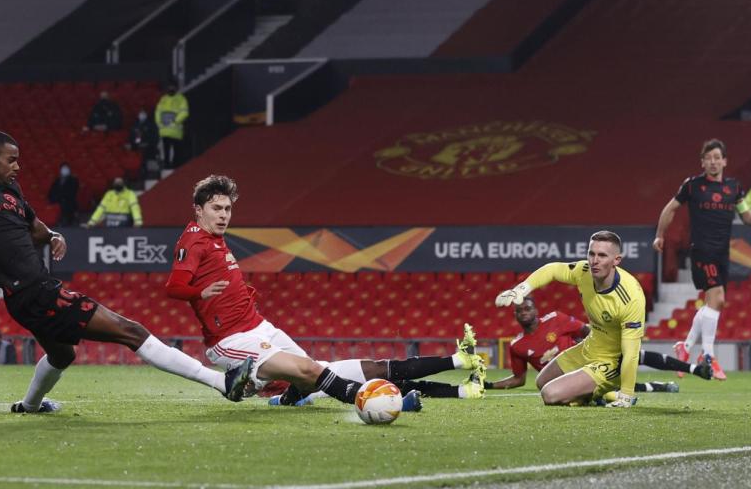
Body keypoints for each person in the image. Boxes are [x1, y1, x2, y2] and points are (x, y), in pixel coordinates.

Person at [0, 126, 252, 413]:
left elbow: (34, 226)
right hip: (34, 290)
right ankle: (222, 383)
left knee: (63, 355)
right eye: (11, 159)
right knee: (131, 331)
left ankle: (29, 406)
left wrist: (53, 234)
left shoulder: (13, 195)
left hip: (23, 297)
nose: (17, 165)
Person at [165, 175, 391, 408]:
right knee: (309, 371)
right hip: (231, 337)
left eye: (227, 209)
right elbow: (174, 287)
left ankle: (263, 387)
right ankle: (373, 402)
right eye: (216, 208)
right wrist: (201, 292)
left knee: (311, 376)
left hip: (258, 326)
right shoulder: (193, 242)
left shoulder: (214, 237)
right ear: (199, 210)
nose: (223, 215)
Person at [653, 139, 751, 381]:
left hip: (721, 253)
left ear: (725, 161)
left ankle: (685, 347)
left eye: (717, 157)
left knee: (712, 303)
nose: (713, 161)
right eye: (709, 158)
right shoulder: (692, 185)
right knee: (718, 298)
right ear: (703, 162)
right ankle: (708, 355)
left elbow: (746, 216)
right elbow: (669, 209)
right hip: (701, 250)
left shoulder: (734, 188)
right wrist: (660, 235)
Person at [495, 230, 644, 408]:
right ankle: (589, 396)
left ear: (616, 260)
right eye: (591, 254)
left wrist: (626, 395)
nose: (594, 261)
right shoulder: (584, 272)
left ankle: (608, 391)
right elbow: (552, 270)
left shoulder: (631, 297)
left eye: (602, 256)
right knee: (542, 381)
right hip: (590, 348)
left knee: (549, 394)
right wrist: (522, 289)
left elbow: (631, 353)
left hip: (611, 362)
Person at [485, 296, 712, 393]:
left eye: (528, 308)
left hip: (589, 358)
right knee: (602, 392)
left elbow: (587, 331)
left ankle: (693, 369)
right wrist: (490, 386)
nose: (524, 312)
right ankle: (656, 387)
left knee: (636, 355)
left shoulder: (556, 318)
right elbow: (519, 379)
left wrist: (602, 348)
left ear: (536, 310)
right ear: (515, 315)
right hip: (568, 376)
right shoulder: (517, 345)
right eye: (520, 310)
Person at [272, 324, 488, 407]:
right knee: (396, 382)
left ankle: (462, 377)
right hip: (321, 384)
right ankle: (462, 378)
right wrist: (283, 399)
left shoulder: (261, 347)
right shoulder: (260, 371)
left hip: (322, 370)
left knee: (385, 371)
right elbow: (285, 397)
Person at [155, 82, 188, 169]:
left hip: (176, 131)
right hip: (165, 131)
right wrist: (159, 123)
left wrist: (175, 121)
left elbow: (184, 112)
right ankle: (167, 166)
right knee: (166, 151)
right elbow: (158, 112)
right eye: (169, 87)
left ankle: (176, 166)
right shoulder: (163, 99)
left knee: (177, 151)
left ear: (176, 88)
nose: (171, 89)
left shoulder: (181, 99)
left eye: (172, 87)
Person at [126, 109, 160, 179]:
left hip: (150, 148)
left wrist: (148, 144)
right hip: (137, 148)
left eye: (143, 114)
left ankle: (152, 175)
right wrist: (134, 144)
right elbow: (132, 137)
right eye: (140, 114)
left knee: (150, 162)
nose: (141, 115)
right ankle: (140, 174)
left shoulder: (151, 125)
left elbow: (155, 137)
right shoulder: (135, 125)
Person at [47, 162, 79, 226]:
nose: (64, 170)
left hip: (69, 200)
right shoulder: (57, 180)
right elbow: (52, 191)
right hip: (58, 200)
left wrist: (63, 196)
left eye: (66, 168)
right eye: (63, 168)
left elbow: (73, 191)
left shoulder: (73, 180)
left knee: (68, 204)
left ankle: (69, 220)